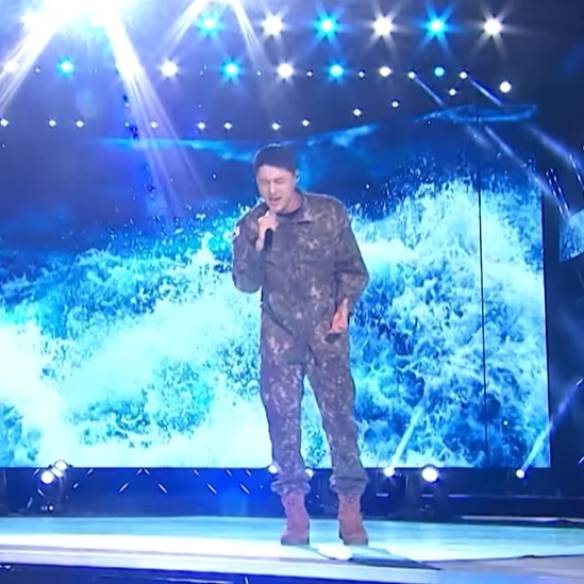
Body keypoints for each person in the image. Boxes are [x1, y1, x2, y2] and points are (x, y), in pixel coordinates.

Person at [232, 144, 369, 546]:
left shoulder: (329, 213)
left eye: (279, 181)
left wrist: (344, 307)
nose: (272, 190)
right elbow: (245, 283)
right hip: (280, 339)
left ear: (295, 178)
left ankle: (349, 506)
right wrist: (260, 242)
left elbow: (354, 270)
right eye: (264, 183)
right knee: (283, 426)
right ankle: (294, 511)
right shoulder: (251, 224)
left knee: (340, 422)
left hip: (327, 337)